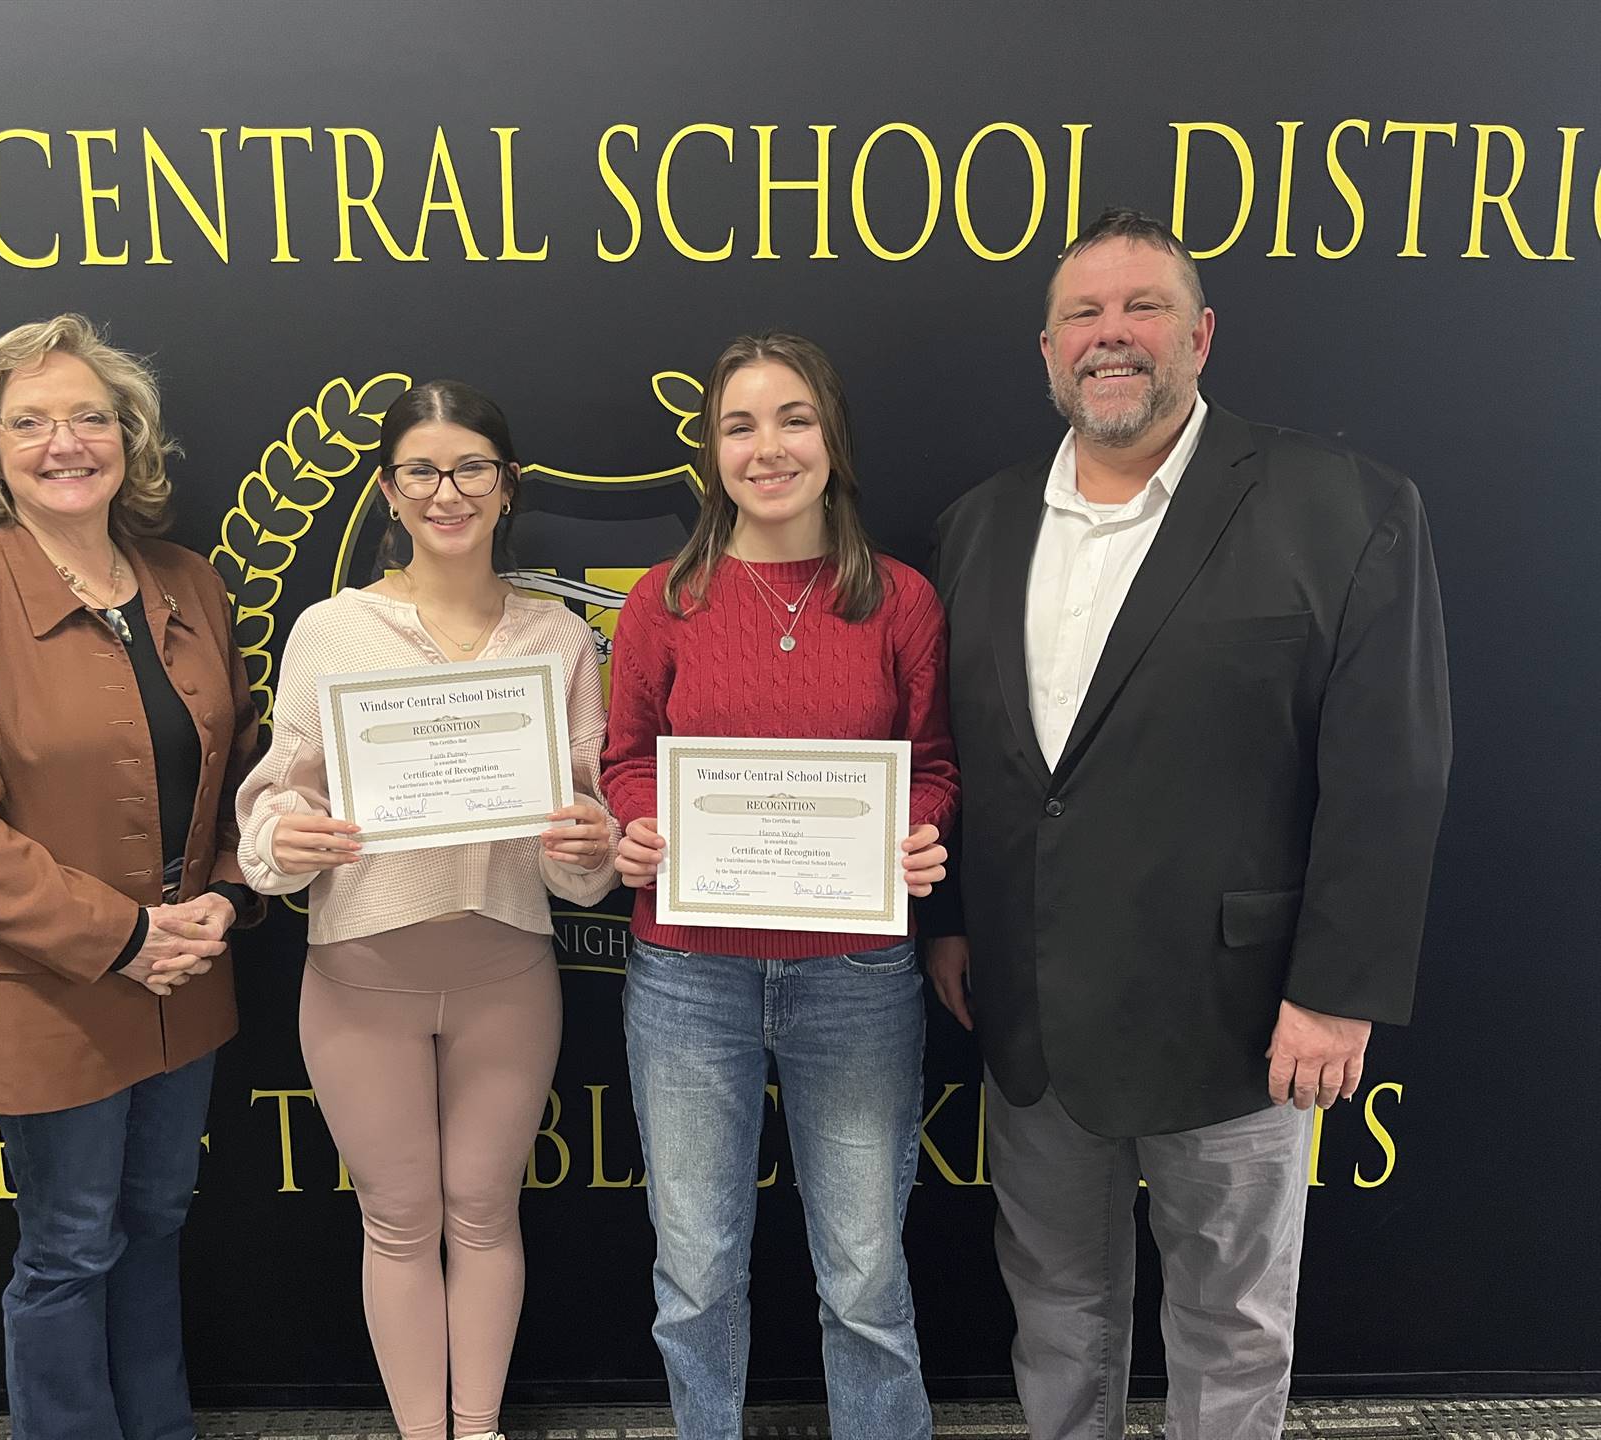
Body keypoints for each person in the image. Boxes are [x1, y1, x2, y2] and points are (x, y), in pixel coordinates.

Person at [921, 207, 1452, 1440]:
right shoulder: (975, 527)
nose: (1113, 336)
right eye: (1084, 316)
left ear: (1200, 335)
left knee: (1231, 1322)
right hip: (1033, 1010)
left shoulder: (1344, 507)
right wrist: (953, 925)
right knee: (1056, 1307)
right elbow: (965, 755)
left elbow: (1393, 770)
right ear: (1046, 354)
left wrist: (1338, 992)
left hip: (1238, 1017)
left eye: (1142, 307)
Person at [0, 314, 261, 1440]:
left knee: (156, 1222)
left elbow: (242, 774)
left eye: (89, 416)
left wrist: (227, 899)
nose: (65, 442)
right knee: (66, 1247)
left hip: (187, 979)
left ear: (128, 439)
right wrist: (127, 936)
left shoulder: (188, 582)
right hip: (49, 986)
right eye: (30, 421)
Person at [233, 380, 617, 1440]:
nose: (447, 493)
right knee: (399, 1222)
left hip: (507, 973)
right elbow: (272, 805)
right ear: (388, 492)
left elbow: (586, 834)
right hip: (363, 978)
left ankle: (478, 1429)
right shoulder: (331, 631)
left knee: (488, 1214)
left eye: (471, 469)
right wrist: (281, 844)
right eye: (422, 472)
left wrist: (589, 845)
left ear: (507, 487)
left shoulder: (559, 637)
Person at [602, 332, 961, 1440]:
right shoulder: (663, 601)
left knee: (861, 1270)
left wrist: (920, 832)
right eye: (740, 426)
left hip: (853, 975)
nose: (769, 448)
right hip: (687, 979)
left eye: (793, 419)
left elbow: (935, 764)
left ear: (833, 438)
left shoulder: (901, 602)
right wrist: (638, 826)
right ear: (712, 453)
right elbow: (625, 758)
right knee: (697, 1273)